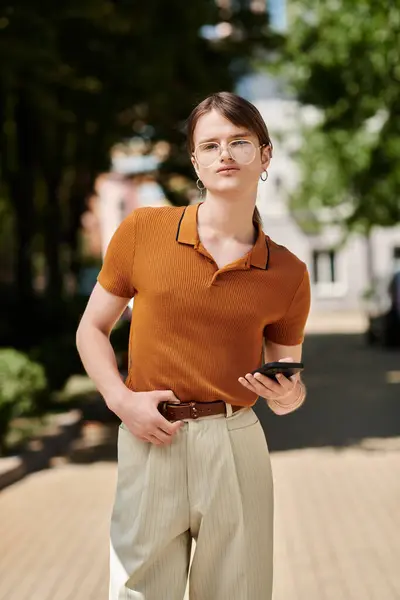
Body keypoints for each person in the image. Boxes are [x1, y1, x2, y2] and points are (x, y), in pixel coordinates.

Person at [76, 91, 311, 600]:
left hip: (235, 441)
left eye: (239, 142)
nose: (224, 154)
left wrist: (289, 397)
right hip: (149, 438)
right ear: (196, 162)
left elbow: (286, 373)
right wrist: (121, 403)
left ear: (265, 155)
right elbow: (91, 329)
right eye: (211, 145)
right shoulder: (142, 231)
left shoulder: (289, 272)